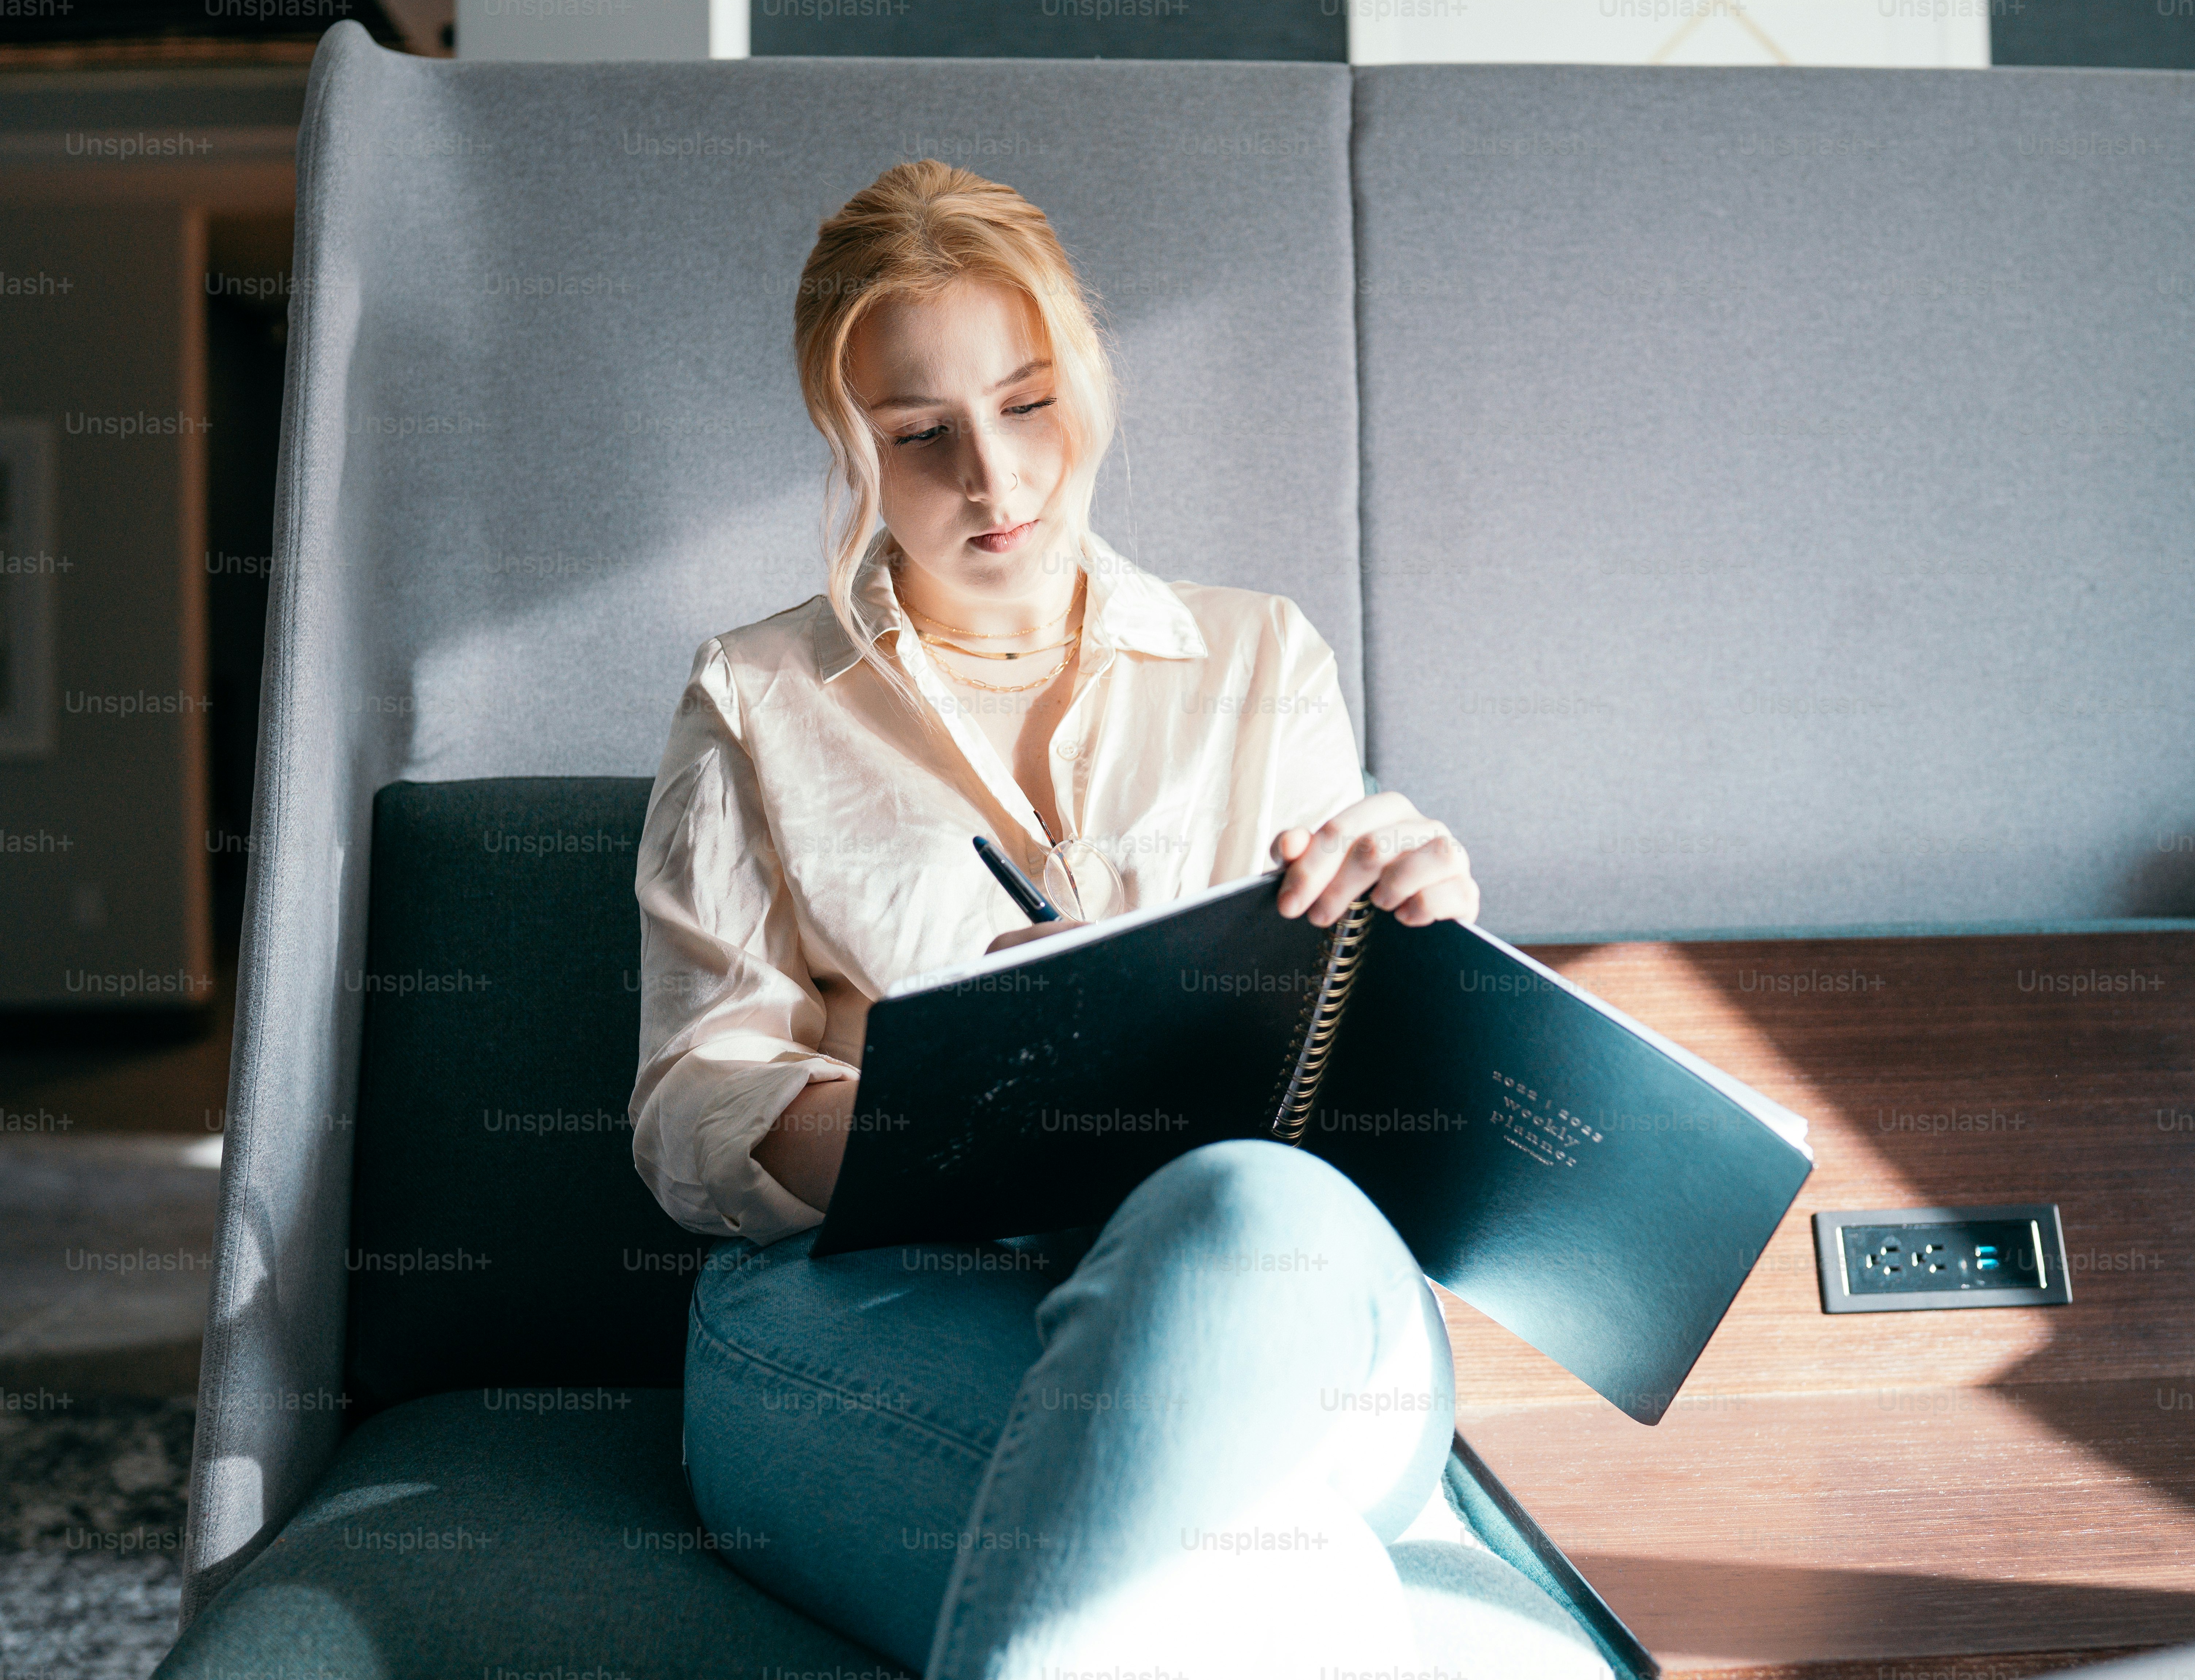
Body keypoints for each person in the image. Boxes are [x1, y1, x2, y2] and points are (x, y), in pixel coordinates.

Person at [630, 161, 1605, 1680]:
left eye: (1026, 405)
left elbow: (1336, 1103)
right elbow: (695, 1113)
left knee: (1231, 1214)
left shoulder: (1259, 655)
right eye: (920, 434)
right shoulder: (757, 699)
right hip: (893, 1297)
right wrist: (976, 1103)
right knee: (1271, 1602)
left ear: (1088, 383)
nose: (997, 480)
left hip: (1276, 1290)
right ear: (849, 447)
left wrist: (1418, 958)